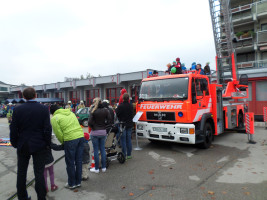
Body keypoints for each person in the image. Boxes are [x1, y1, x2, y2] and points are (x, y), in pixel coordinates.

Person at [10, 87, 52, 200]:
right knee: (39, 173)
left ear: (23, 97)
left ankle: (22, 197)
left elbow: (13, 129)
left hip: (23, 144)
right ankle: (41, 197)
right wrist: (48, 143)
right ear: (36, 95)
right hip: (39, 144)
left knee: (21, 172)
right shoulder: (43, 109)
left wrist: (15, 143)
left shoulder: (17, 109)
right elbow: (48, 129)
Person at [50, 105, 84, 189]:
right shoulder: (71, 113)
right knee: (79, 161)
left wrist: (63, 143)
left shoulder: (55, 118)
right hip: (80, 136)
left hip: (70, 139)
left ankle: (72, 183)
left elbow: (58, 133)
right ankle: (78, 182)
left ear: (52, 112)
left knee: (70, 163)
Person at [88, 98, 111, 173]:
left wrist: (93, 127)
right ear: (101, 102)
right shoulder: (105, 110)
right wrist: (104, 125)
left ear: (94, 103)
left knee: (96, 151)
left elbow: (89, 122)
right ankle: (104, 167)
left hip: (95, 132)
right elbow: (109, 120)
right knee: (102, 150)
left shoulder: (93, 111)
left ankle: (97, 168)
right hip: (103, 131)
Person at [116, 93, 133, 160]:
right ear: (128, 98)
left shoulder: (120, 106)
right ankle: (129, 155)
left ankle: (124, 154)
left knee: (123, 140)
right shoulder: (131, 105)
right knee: (128, 140)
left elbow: (117, 114)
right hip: (129, 124)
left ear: (122, 98)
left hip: (122, 124)